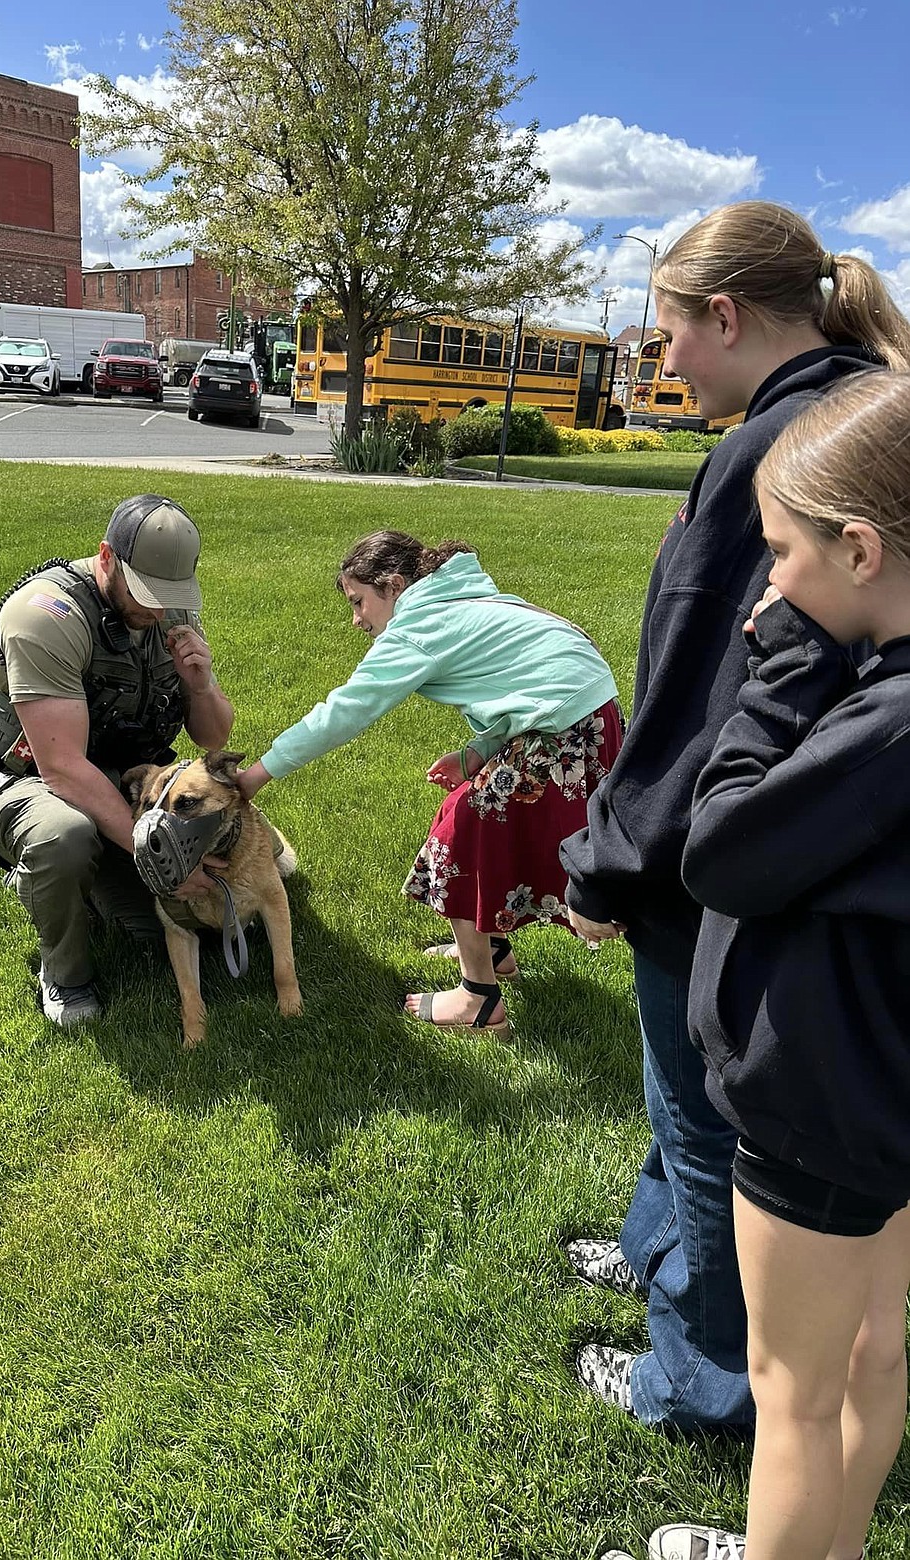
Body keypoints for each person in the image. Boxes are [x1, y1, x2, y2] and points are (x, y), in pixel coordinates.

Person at [559, 200, 910, 1430]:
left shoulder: (773, 451)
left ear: (724, 317)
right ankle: (663, 1262)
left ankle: (697, 1382)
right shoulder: (858, 411)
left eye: (664, 337)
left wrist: (603, 864)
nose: (657, 366)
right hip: (813, 847)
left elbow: (703, 699)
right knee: (682, 1112)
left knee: (702, 1127)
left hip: (731, 856)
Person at [605, 371, 910, 1560]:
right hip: (885, 1091)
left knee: (793, 1396)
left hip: (821, 1099)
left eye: (784, 554)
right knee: (871, 1352)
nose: (771, 581)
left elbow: (724, 848)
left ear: (862, 548)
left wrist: (781, 667)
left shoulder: (884, 720)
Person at [236, 530, 622, 1032]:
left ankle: (478, 999)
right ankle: (492, 949)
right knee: (474, 820)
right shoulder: (459, 595)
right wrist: (476, 753)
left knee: (458, 838)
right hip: (590, 720)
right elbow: (519, 679)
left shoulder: (418, 624)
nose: (356, 620)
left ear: (394, 585)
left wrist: (257, 774)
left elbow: (344, 712)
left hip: (564, 732)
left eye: (359, 602)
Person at [0, 494, 234, 1027]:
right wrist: (160, 856)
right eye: (147, 594)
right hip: (34, 783)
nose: (159, 610)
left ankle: (77, 883)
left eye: (170, 596)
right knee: (64, 837)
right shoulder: (46, 615)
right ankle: (64, 974)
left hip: (128, 785)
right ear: (107, 558)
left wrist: (201, 685)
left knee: (189, 935)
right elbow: (62, 767)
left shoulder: (172, 611)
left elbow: (213, 738)